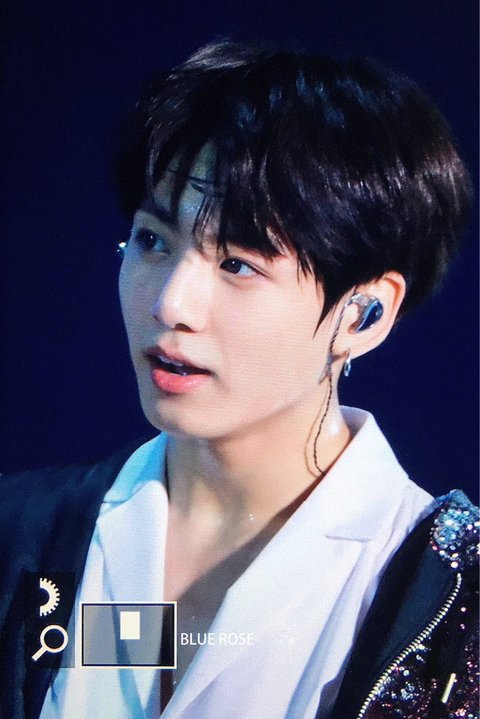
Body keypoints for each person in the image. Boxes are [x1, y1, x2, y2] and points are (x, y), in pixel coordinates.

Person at [0, 41, 477, 719]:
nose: (171, 304)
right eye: (153, 241)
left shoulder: (452, 599)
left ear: (363, 314)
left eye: (238, 264)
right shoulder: (22, 533)